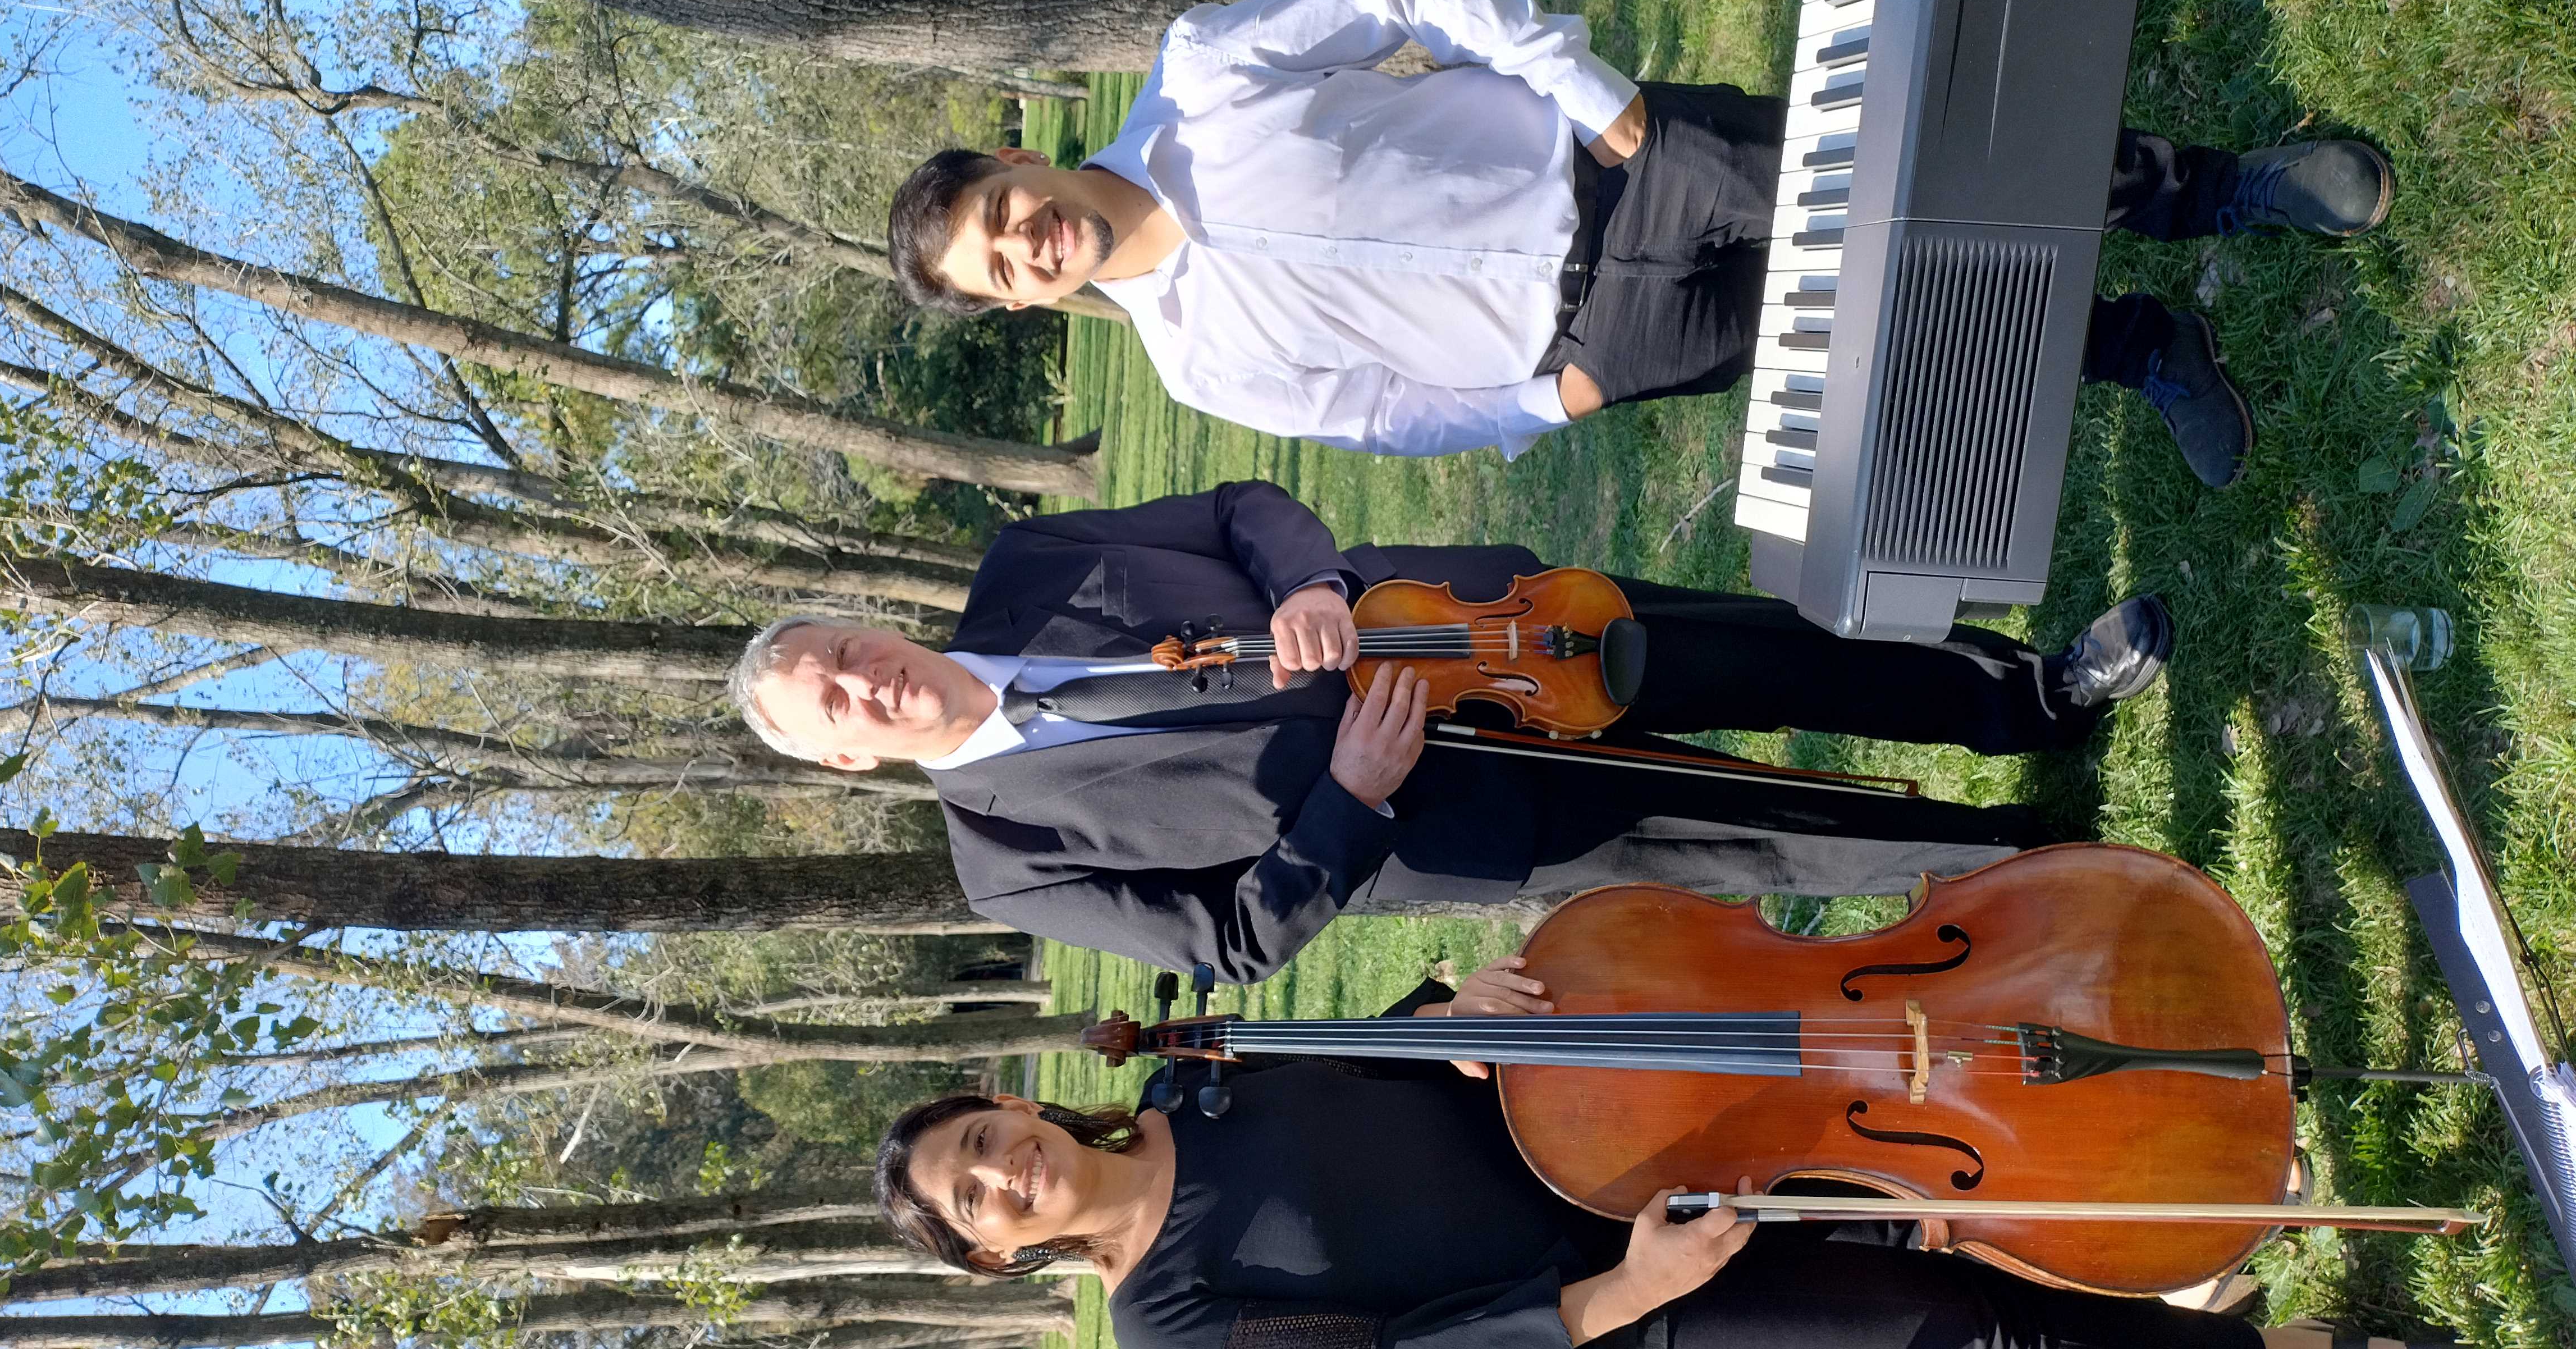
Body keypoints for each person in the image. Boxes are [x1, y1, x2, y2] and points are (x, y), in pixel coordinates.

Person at [886, 0, 2391, 488]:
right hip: (1603, 337)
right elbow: (1377, 415)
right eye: (1002, 270)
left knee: (1920, 186)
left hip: (1617, 162)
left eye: (1004, 211)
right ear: (1020, 303)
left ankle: (2224, 192)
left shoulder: (1200, 74)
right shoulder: (1194, 366)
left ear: (1018, 162)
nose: (1026, 242)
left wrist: (1585, 87)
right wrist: (1541, 405)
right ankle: (2140, 349)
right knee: (1890, 340)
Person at [869, 959, 2508, 1349]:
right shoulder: (1164, 1327)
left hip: (1616, 1138)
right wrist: (1625, 1294)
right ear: (996, 1252)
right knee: (1951, 1325)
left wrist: (1450, 1012)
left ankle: (2182, 1195)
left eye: (981, 1139)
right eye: (977, 1199)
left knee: (1921, 1172)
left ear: (1018, 1105)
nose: (1003, 1170)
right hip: (1617, 1327)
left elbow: (1398, 1050)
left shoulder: (1198, 1083)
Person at [729, 481, 2171, 981]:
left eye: (844, 653)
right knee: (1766, 837)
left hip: (1462, 633)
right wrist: (1350, 796)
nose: (864, 683)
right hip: (1437, 812)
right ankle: (2033, 861)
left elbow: (1236, 511)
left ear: (868, 622)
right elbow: (1228, 941)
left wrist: (1305, 582)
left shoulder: (1025, 564)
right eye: (835, 707)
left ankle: (2030, 696)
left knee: (1762, 656)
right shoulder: (1001, 864)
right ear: (847, 758)